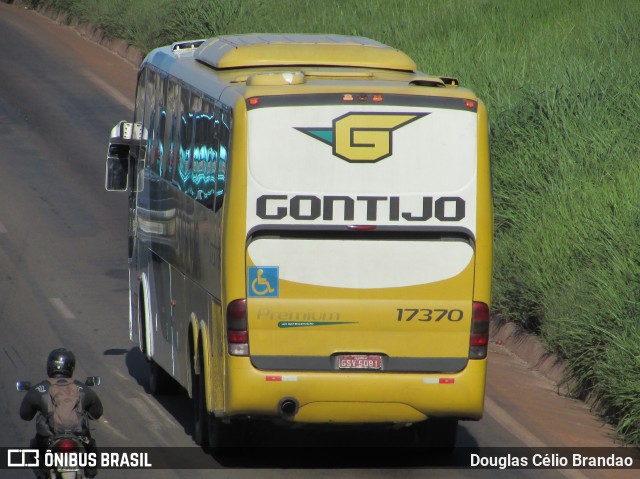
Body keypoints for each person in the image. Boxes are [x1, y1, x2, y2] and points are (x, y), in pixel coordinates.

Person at [20, 348, 103, 479]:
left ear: (50, 366)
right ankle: (90, 473)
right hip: (79, 437)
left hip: (48, 440)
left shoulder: (39, 389)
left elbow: (25, 415)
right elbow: (97, 413)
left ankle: (42, 476)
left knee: (34, 448)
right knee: (90, 443)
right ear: (71, 367)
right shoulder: (82, 389)